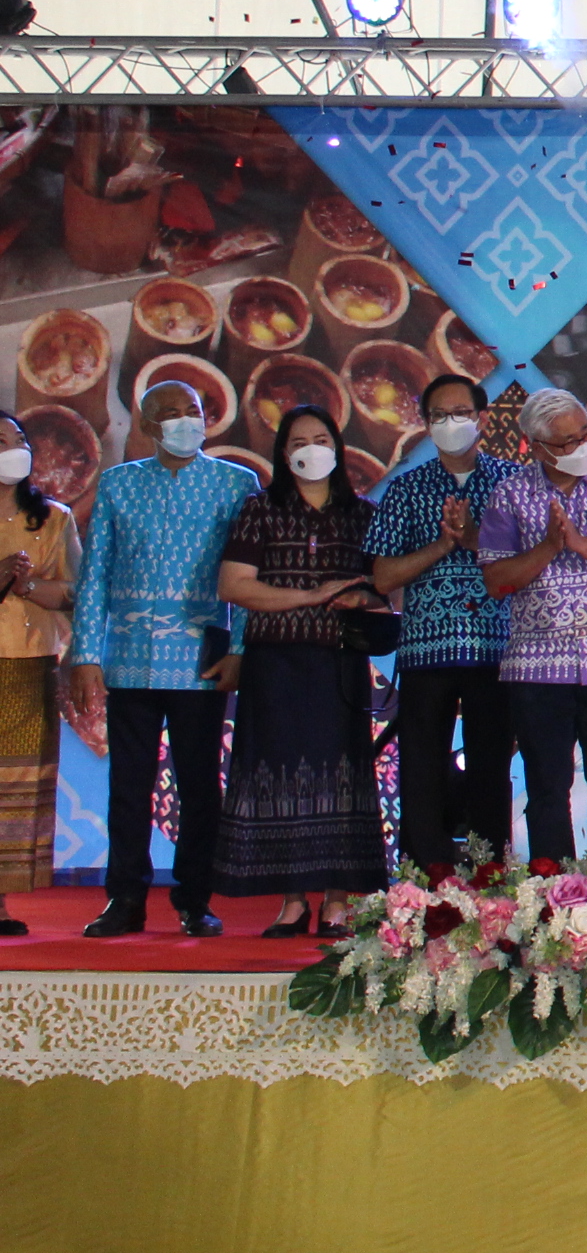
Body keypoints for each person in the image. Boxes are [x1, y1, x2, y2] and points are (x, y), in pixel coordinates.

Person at [64, 378, 257, 936]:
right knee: (128, 784)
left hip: (202, 659)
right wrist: (86, 654)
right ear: (147, 426)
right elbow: (95, 575)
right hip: (128, 658)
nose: (183, 420)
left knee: (199, 784)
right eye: (168, 412)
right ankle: (125, 899)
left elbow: (249, 574)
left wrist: (241, 649)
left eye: (191, 409)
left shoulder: (235, 483)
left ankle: (195, 900)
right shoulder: (118, 484)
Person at [212, 405, 389, 934]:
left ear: (337, 447)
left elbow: (384, 590)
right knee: (280, 776)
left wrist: (362, 599)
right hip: (274, 667)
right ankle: (292, 901)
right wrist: (310, 595)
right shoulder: (259, 510)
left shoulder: (363, 514)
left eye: (321, 439)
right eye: (298, 442)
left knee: (340, 777)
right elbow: (234, 586)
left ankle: (336, 901)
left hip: (339, 667)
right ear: (283, 453)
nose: (311, 449)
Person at [480, 387, 587, 869]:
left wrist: (579, 544)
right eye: (568, 441)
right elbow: (496, 580)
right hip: (537, 668)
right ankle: (553, 890)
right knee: (546, 786)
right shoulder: (510, 493)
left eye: (586, 433)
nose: (583, 445)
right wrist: (547, 548)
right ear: (537, 448)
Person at [366, 373, 530, 873]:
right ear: (425, 423)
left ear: (483, 418)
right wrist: (442, 545)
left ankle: (491, 878)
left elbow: (530, 562)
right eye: (439, 415)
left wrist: (476, 538)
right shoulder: (405, 488)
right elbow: (382, 575)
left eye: (461, 413)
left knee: (491, 769)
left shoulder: (514, 483)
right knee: (422, 770)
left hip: (496, 648)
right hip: (424, 651)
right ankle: (422, 879)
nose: (450, 423)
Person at [0, 413, 76, 935]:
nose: (15, 449)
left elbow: (76, 592)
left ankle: (2, 901)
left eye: (20, 440)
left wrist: (27, 586)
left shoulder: (53, 518)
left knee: (17, 781)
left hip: (30, 666)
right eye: (2, 442)